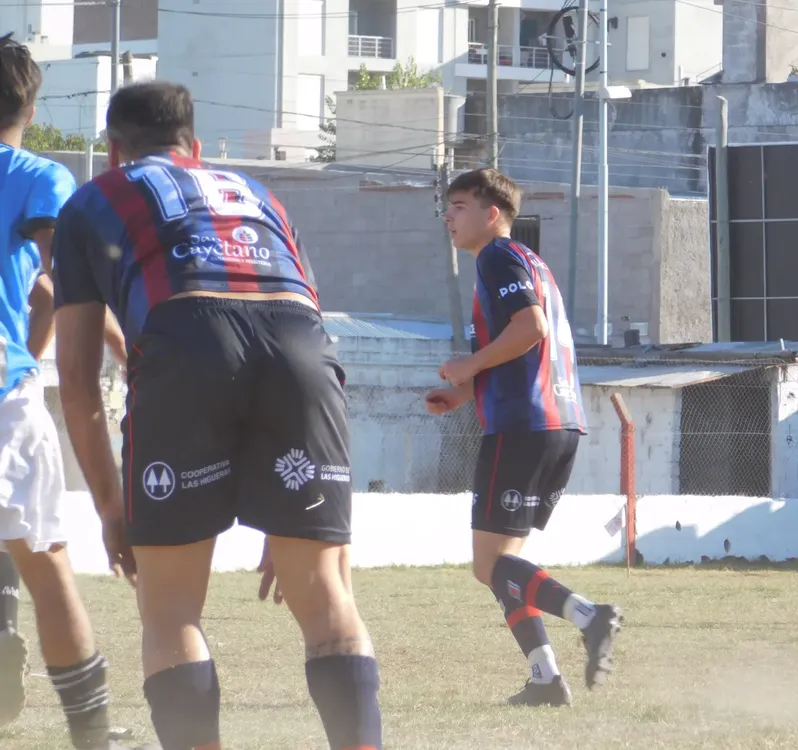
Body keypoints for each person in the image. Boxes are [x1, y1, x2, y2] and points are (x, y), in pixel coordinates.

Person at [51, 81, 381, 750]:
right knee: (324, 593)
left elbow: (79, 380)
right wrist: (282, 505)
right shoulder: (260, 194)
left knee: (170, 609)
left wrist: (114, 508)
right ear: (196, 148)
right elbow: (304, 323)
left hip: (185, 335)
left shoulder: (93, 200)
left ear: (115, 151)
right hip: (300, 345)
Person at [425, 167, 622, 707]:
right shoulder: (533, 263)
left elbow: (529, 328)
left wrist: (467, 365)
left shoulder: (497, 257)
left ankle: (589, 616)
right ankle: (545, 679)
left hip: (523, 425)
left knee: (489, 566)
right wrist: (465, 390)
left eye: (460, 205)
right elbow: (526, 345)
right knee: (503, 569)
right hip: (558, 424)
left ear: (492, 214)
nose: (449, 215)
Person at [0, 33, 144, 750]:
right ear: (30, 102)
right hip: (1, 394)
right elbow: (66, 285)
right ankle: (92, 733)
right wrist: (130, 352)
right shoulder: (35, 176)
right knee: (45, 558)